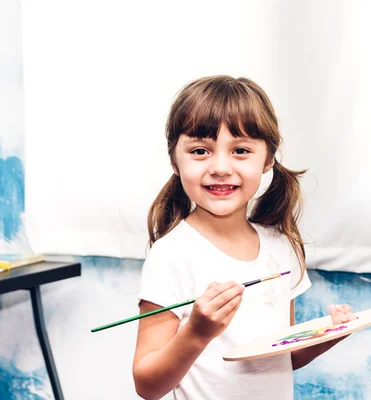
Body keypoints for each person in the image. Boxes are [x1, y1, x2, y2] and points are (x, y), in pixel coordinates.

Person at [132, 75, 356, 400]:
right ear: (174, 161)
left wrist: (329, 336)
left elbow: (284, 356)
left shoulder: (282, 247)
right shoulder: (171, 255)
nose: (221, 167)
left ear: (267, 160)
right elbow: (147, 386)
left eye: (240, 150)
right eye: (199, 151)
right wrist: (196, 333)